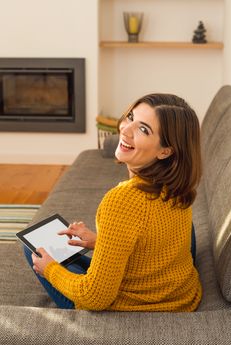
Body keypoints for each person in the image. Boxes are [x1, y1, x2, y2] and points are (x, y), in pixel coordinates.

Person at [24, 93, 202, 311]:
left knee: (34, 250)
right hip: (180, 295)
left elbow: (95, 298)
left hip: (135, 307)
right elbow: (152, 242)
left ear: (166, 151)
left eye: (143, 129)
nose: (125, 130)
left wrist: (50, 269)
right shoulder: (178, 188)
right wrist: (102, 241)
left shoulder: (122, 201)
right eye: (130, 117)